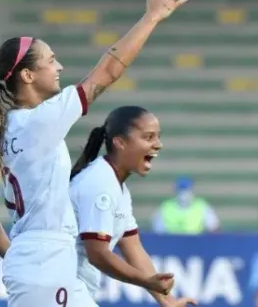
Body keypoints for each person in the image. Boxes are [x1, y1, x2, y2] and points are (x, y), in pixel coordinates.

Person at [0, 0, 190, 306]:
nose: (59, 66)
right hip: (47, 261)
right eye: (51, 60)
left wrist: (17, 254)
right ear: (27, 75)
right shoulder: (40, 122)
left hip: (38, 262)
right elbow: (108, 71)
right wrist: (151, 17)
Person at [69, 106, 197, 307]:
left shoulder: (117, 186)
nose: (158, 145)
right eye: (148, 137)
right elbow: (98, 254)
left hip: (72, 291)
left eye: (158, 137)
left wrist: (168, 301)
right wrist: (147, 282)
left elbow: (132, 246)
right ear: (119, 142)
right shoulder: (100, 184)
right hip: (60, 289)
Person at [152, 177, 220, 234]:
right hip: (172, 245)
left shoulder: (202, 207)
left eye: (187, 190)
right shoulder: (165, 207)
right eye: (181, 190)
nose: (184, 194)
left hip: (196, 245)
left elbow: (214, 229)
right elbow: (158, 233)